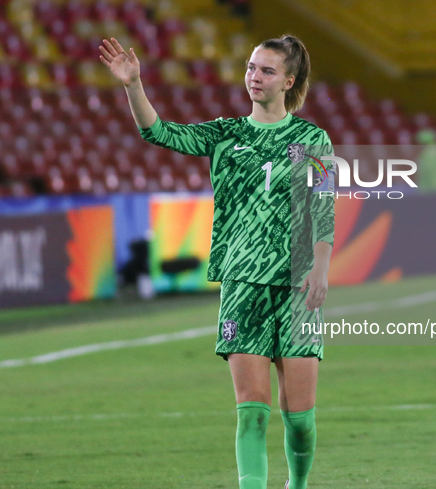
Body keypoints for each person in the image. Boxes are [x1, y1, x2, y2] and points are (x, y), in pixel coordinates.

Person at [99, 35, 335, 489]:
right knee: (252, 413)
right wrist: (133, 86)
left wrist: (321, 268)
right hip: (242, 286)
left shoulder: (312, 140)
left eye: (266, 70)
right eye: (250, 67)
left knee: (300, 417)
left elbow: (322, 210)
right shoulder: (226, 133)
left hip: (297, 289)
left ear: (289, 80)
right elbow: (158, 132)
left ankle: (299, 485)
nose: (254, 77)